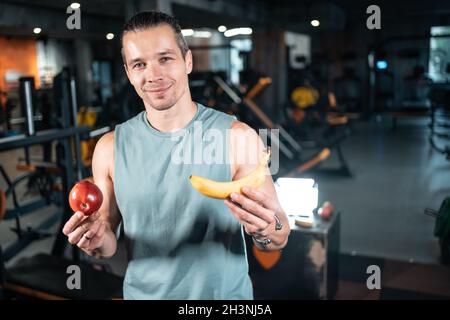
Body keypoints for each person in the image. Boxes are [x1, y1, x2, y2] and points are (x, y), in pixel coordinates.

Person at [63, 11, 290, 300]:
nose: (154, 75)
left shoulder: (237, 137)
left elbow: (278, 237)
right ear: (128, 72)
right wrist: (94, 240)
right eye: (139, 64)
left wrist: (266, 229)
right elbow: (107, 243)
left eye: (165, 58)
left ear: (188, 61)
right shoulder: (109, 147)